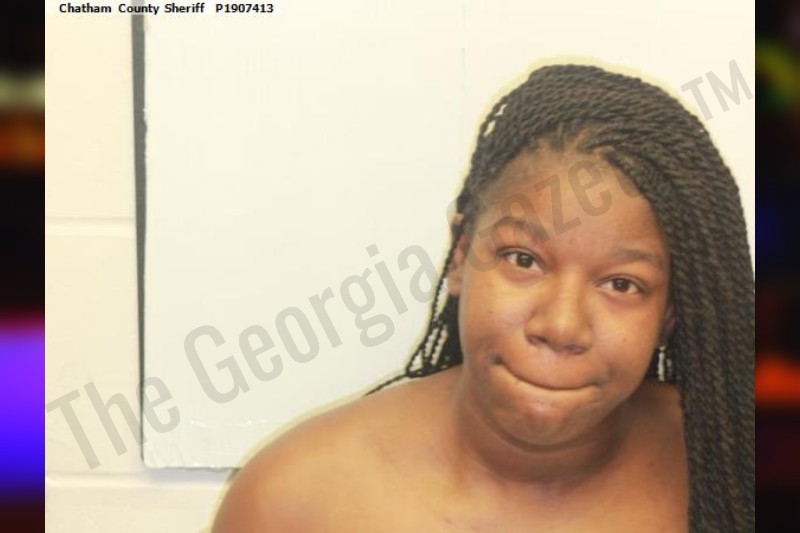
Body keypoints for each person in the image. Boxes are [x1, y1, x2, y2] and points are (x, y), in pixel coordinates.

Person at [212, 64, 754, 532]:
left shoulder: (740, 471)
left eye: (621, 284)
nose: (561, 326)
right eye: (523, 259)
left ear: (669, 314)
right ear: (460, 256)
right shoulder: (294, 500)